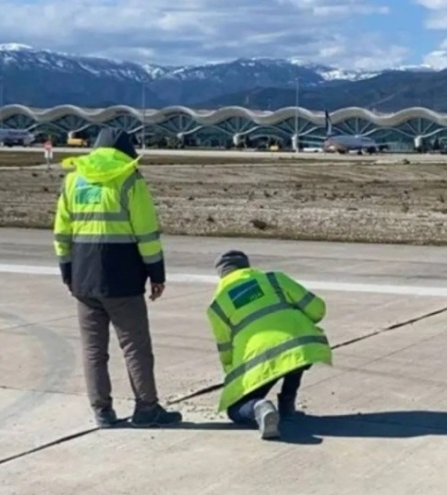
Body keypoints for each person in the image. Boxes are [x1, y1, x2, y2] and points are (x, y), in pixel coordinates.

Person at [52, 127, 182, 429]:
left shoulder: (73, 180)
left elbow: (61, 232)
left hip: (83, 277)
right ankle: (146, 408)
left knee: (93, 350)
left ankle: (102, 410)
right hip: (122, 278)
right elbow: (146, 235)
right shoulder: (130, 181)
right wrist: (156, 274)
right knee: (135, 346)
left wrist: (66, 270)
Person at [206, 250, 332, 440]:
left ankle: (259, 407)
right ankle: (287, 406)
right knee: (294, 354)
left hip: (259, 360)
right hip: (300, 346)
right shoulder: (275, 279)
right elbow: (316, 309)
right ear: (246, 266)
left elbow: (226, 349)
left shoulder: (217, 306)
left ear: (221, 275)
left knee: (235, 410)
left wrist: (234, 377)